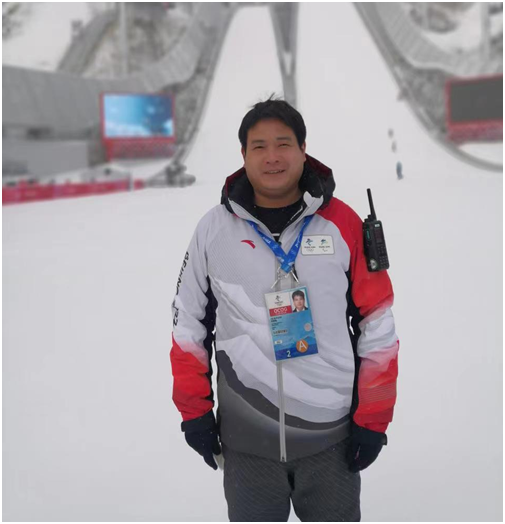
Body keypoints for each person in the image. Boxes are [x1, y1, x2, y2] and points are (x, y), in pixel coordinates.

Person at [170, 97, 399, 522]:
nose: (272, 156)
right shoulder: (213, 230)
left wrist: (374, 418)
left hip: (331, 441)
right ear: (243, 154)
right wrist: (195, 412)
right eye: (259, 146)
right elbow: (188, 325)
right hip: (247, 445)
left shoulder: (344, 223)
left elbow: (378, 323)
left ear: (303, 149)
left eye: (283, 144)